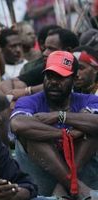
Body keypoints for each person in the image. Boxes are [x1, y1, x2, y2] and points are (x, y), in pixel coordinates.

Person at [10, 51, 98, 198]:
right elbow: (18, 124)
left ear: (74, 79)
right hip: (42, 186)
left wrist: (60, 116)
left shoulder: (88, 100)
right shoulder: (29, 101)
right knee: (32, 135)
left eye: (61, 77)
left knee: (92, 130)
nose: (54, 82)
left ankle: (65, 185)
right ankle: (72, 184)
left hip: (87, 181)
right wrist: (66, 135)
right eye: (49, 76)